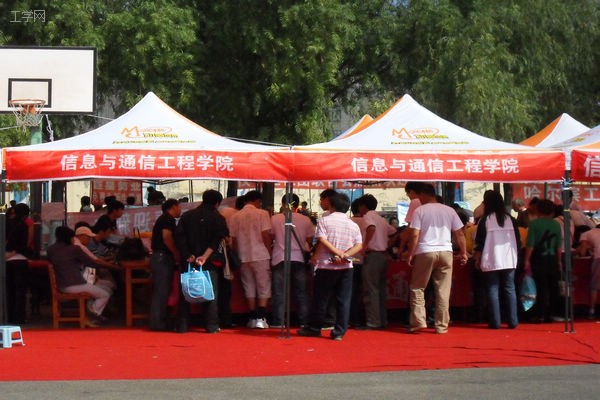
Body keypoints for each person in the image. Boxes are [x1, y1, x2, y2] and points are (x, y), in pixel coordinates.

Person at [297, 193, 363, 341]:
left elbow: (322, 240)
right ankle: (339, 331)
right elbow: (359, 244)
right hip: (346, 266)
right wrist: (345, 254)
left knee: (321, 298)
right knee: (343, 299)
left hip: (326, 265)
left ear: (332, 205)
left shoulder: (325, 220)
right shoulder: (353, 224)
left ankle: (315, 328)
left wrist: (337, 253)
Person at [405, 183, 467, 334]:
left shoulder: (420, 210)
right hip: (446, 251)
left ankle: (418, 321)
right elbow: (459, 233)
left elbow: (414, 234)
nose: (418, 199)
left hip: (425, 251)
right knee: (443, 291)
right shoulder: (449, 210)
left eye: (419, 196)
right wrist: (464, 252)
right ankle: (441, 325)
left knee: (418, 288)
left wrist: (410, 253)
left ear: (424, 194)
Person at [175, 190, 228, 333]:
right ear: (217, 203)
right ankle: (211, 325)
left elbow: (179, 238)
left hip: (188, 260)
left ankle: (182, 325)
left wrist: (188, 254)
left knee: (185, 292)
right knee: (210, 293)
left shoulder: (187, 216)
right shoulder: (218, 218)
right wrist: (204, 256)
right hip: (209, 261)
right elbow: (217, 240)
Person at [46, 226, 112, 327]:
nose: (74, 240)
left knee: (96, 288)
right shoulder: (74, 249)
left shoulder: (50, 250)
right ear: (68, 238)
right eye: (73, 238)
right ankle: (90, 315)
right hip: (76, 285)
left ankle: (90, 312)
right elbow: (91, 263)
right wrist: (110, 265)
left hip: (61, 285)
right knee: (104, 294)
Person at [473, 191, 520, 329]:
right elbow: (518, 241)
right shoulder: (510, 219)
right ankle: (513, 321)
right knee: (510, 288)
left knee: (492, 289)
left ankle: (495, 322)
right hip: (509, 259)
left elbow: (480, 242)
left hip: (491, 258)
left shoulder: (485, 220)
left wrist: (477, 258)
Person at [229, 190, 272, 329]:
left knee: (249, 286)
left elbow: (234, 240)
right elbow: (265, 235)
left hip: (243, 256)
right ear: (257, 201)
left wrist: (237, 255)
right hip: (261, 255)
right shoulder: (262, 213)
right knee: (263, 285)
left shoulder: (235, 216)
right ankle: (261, 317)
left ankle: (252, 317)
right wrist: (269, 251)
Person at [270, 193, 314, 328]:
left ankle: (278, 321)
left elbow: (270, 237)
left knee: (279, 292)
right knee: (301, 292)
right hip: (298, 258)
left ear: (283, 204)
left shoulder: (275, 218)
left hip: (279, 257)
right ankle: (304, 321)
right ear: (297, 205)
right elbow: (309, 240)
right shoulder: (306, 220)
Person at [357, 194, 396, 330]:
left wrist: (365, 245)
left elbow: (371, 228)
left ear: (363, 206)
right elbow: (394, 232)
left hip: (372, 255)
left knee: (371, 289)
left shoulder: (368, 217)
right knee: (380, 290)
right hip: (382, 255)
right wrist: (387, 244)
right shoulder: (381, 218)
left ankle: (373, 321)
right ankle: (382, 320)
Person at [524, 199, 563, 323]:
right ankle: (552, 313)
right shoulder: (556, 224)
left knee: (540, 287)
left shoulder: (534, 224)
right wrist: (559, 261)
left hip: (538, 258)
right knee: (553, 287)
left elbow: (530, 244)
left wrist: (526, 260)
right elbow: (558, 246)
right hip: (552, 258)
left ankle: (540, 314)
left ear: (538, 210)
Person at [149, 199, 182, 331]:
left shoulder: (164, 218)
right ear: (174, 206)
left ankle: (158, 321)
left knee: (161, 290)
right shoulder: (167, 219)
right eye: (179, 207)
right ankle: (157, 323)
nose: (180, 210)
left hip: (160, 257)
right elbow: (167, 237)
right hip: (162, 257)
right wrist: (176, 253)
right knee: (161, 291)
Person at [5, 203, 33, 324]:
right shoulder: (24, 225)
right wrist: (15, 251)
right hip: (20, 259)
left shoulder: (5, 223)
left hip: (7, 259)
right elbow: (26, 244)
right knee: (20, 291)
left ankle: (9, 316)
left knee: (9, 289)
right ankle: (19, 318)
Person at [577, 226, 600, 319]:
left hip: (598, 259)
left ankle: (592, 311)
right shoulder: (595, 233)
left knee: (594, 286)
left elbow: (582, 252)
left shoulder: (585, 234)